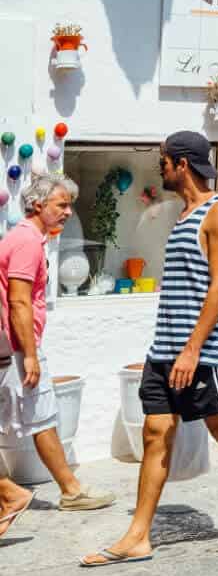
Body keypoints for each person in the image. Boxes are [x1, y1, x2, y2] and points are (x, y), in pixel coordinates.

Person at [82, 131, 218, 565]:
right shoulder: (185, 213)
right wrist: (173, 347)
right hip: (165, 347)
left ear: (181, 163)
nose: (161, 168)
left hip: (203, 350)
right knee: (156, 431)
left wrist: (193, 349)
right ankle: (138, 535)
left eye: (164, 162)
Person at [0, 176, 115, 537]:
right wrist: (29, 354)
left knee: (42, 416)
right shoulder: (26, 243)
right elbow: (18, 300)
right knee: (42, 414)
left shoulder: (27, 239)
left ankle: (67, 489)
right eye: (61, 205)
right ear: (38, 205)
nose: (68, 212)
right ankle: (14, 494)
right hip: (17, 347)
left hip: (15, 346)